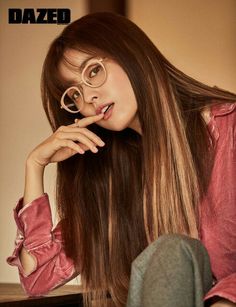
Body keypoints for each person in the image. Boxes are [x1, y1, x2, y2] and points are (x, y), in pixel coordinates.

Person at [7, 12, 236, 307]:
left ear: (130, 54)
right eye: (74, 94)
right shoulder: (113, 177)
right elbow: (37, 276)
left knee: (173, 252)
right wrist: (35, 165)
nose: (88, 97)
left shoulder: (227, 130)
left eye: (92, 72)